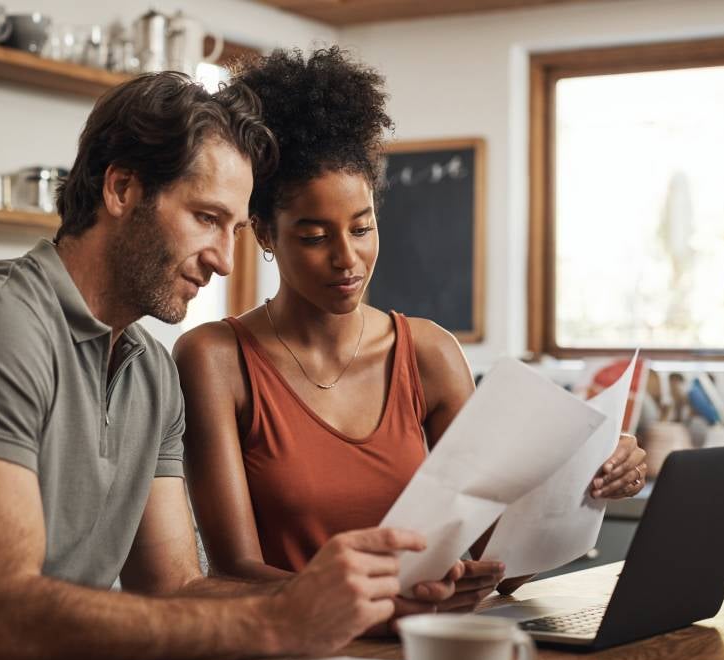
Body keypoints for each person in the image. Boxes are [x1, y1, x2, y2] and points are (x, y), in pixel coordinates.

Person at [0, 72, 460, 660]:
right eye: (207, 219)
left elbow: (175, 587)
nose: (224, 260)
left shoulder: (149, 369)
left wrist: (359, 609)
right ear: (122, 188)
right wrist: (275, 622)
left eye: (234, 228)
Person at [173, 48, 648, 605]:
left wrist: (590, 483)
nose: (346, 258)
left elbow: (501, 563)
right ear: (264, 234)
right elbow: (235, 573)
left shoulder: (428, 353)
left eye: (362, 227)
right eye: (314, 236)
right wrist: (382, 603)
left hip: (423, 646)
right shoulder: (214, 358)